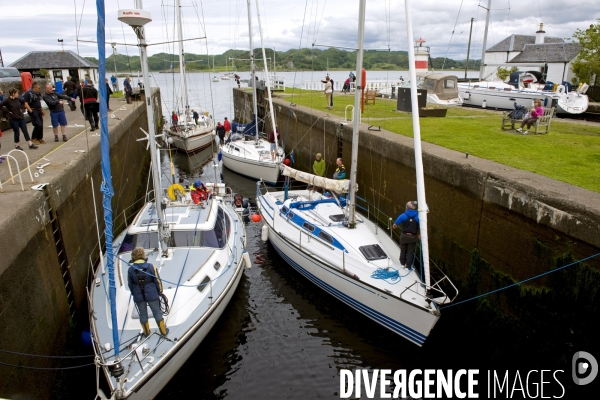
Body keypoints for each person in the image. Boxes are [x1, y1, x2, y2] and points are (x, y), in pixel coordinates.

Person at [127, 247, 168, 337]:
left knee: (143, 313)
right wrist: (160, 291)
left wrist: (134, 294)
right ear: (143, 255)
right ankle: (163, 331)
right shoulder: (151, 267)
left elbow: (130, 285)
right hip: (152, 294)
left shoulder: (130, 270)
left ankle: (146, 332)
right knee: (157, 311)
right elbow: (158, 281)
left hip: (138, 296)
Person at [392, 201, 420, 269]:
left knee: (403, 250)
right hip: (412, 237)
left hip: (404, 236)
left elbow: (394, 226)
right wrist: (420, 235)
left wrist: (395, 227)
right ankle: (408, 266)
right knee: (410, 252)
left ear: (406, 207)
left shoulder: (403, 216)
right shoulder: (418, 217)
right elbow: (423, 227)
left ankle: (402, 264)